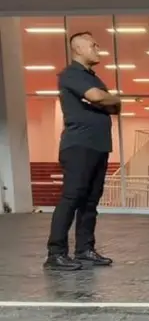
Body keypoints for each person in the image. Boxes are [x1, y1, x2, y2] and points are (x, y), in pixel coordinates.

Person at [44, 33, 119, 271]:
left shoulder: (92, 78)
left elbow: (116, 106)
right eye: (93, 44)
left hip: (99, 146)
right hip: (79, 146)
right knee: (72, 198)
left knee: (90, 201)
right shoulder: (71, 74)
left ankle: (84, 249)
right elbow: (97, 97)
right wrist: (102, 98)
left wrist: (106, 99)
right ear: (77, 48)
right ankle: (55, 253)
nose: (98, 48)